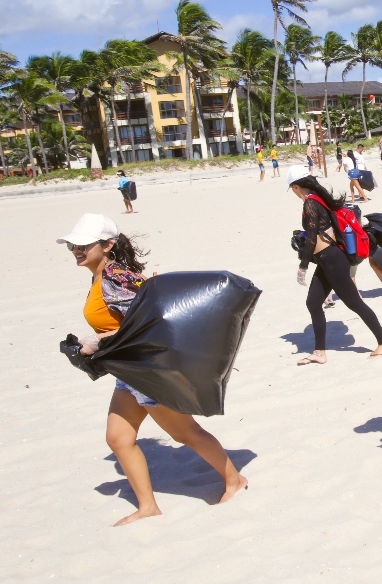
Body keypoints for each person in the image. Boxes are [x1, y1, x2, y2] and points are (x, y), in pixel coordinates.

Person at [59, 213, 246, 526]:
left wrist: (96, 341)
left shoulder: (115, 277)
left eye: (83, 244)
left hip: (146, 371)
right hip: (129, 372)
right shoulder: (102, 276)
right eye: (72, 246)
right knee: (118, 439)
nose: (77, 250)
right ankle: (148, 507)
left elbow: (149, 323)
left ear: (106, 245)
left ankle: (234, 480)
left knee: (186, 432)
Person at [288, 166, 382, 364]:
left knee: (355, 303)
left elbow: (312, 239)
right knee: (313, 302)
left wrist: (302, 266)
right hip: (326, 260)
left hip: (332, 260)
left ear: (295, 187)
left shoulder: (310, 203)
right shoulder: (318, 199)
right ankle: (319, 352)